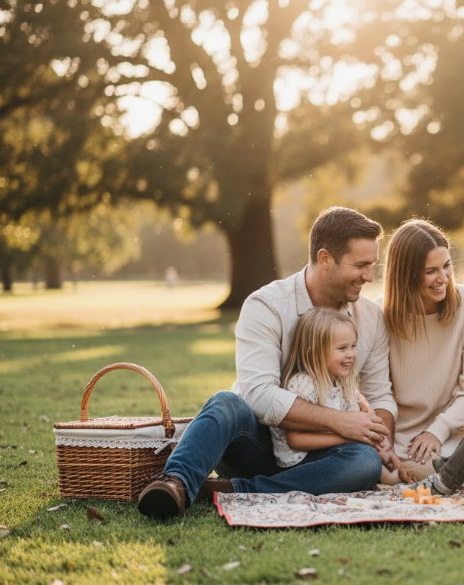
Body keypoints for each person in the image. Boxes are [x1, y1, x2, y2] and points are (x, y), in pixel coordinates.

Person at [138, 207, 398, 519]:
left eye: (372, 265)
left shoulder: (371, 318)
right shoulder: (267, 306)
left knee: (365, 462)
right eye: (361, 266)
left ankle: (238, 491)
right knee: (226, 403)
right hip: (257, 445)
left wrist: (379, 438)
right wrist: (341, 421)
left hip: (322, 456)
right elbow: (259, 394)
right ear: (325, 259)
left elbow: (380, 394)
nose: (370, 277)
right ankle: (175, 484)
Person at [382, 219, 464, 481]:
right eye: (430, 271)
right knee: (382, 473)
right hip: (398, 437)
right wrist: (386, 445)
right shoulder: (379, 316)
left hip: (450, 433)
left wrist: (437, 430)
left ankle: (442, 470)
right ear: (405, 274)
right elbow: (376, 391)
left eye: (446, 266)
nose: (443, 279)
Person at [271, 308, 396, 469]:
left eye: (353, 346)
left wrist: (384, 450)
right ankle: (258, 486)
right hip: (299, 462)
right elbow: (295, 440)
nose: (351, 354)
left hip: (329, 453)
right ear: (314, 352)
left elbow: (361, 427)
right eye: (342, 348)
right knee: (363, 461)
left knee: (367, 460)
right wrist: (350, 437)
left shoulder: (344, 383)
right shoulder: (303, 384)